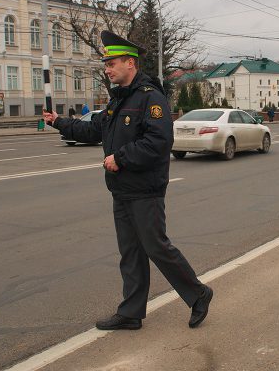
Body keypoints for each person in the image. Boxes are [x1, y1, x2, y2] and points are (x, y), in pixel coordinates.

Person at [42, 30, 213, 331]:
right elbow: (94, 130)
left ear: (130, 64)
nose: (107, 69)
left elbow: (158, 141)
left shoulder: (150, 98)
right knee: (131, 253)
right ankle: (131, 312)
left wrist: (120, 158)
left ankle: (199, 293)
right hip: (122, 191)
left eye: (111, 63)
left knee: (156, 247)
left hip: (145, 190)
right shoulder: (117, 101)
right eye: (106, 63)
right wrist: (59, 122)